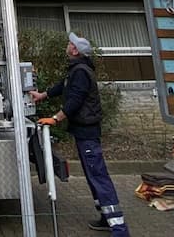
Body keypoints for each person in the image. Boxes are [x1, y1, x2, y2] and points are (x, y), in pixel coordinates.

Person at [30, 32, 129, 236]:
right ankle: (105, 217)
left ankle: (119, 228)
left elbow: (75, 100)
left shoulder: (81, 71)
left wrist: (56, 118)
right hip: (83, 131)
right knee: (93, 175)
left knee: (98, 176)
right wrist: (42, 95)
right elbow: (63, 87)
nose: (67, 45)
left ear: (75, 50)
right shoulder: (75, 70)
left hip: (88, 131)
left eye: (70, 43)